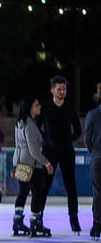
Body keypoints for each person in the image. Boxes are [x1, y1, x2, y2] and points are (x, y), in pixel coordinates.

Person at [41, 75, 83, 234]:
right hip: (49, 152)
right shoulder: (45, 107)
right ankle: (39, 216)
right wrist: (46, 140)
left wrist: (68, 140)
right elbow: (38, 127)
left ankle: (74, 219)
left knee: (71, 186)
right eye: (59, 89)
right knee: (44, 185)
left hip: (67, 152)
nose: (62, 92)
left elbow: (78, 130)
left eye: (64, 89)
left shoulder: (70, 108)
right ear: (52, 90)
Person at [12, 97, 54, 237]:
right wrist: (46, 162)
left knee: (23, 191)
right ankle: (35, 222)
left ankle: (17, 220)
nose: (39, 107)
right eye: (36, 105)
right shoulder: (30, 125)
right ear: (30, 108)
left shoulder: (20, 123)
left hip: (20, 161)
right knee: (38, 192)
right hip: (31, 164)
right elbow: (34, 149)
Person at [84, 85, 101, 240]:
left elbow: (87, 138)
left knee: (98, 192)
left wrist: (94, 152)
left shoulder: (92, 115)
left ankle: (97, 224)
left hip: (97, 157)